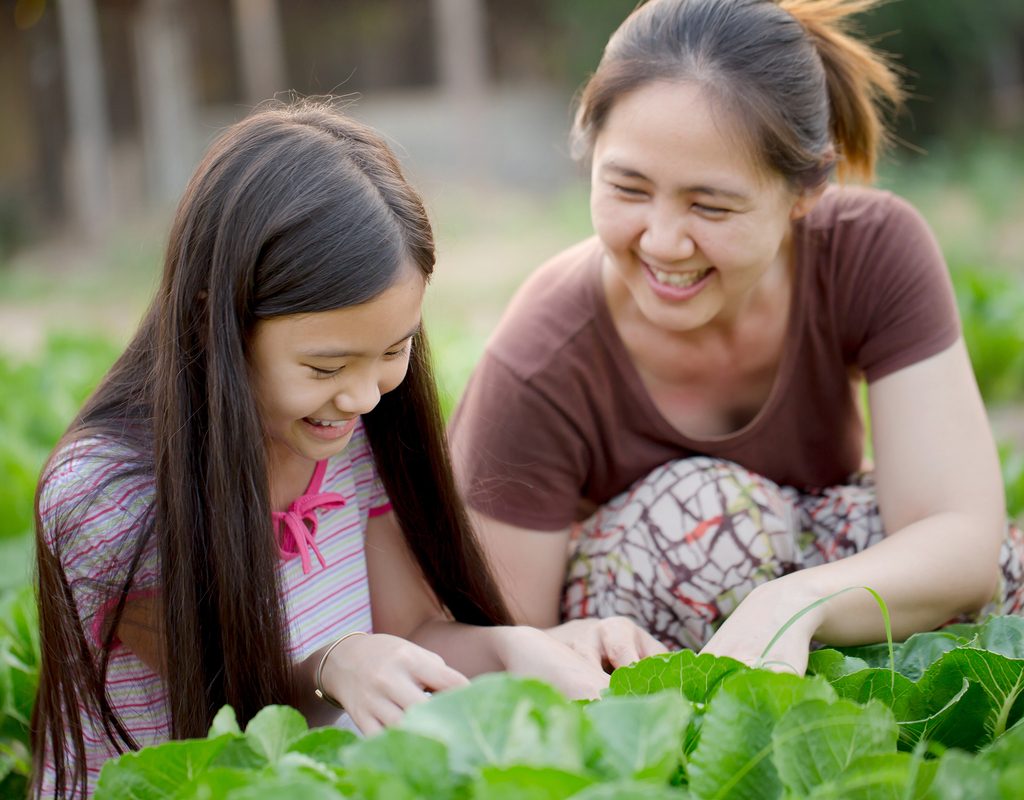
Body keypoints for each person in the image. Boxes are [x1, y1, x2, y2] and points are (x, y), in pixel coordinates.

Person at [31, 102, 608, 799]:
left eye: (395, 351)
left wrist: (513, 651)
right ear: (219, 318)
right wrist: (336, 661)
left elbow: (411, 632)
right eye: (327, 368)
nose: (365, 396)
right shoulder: (108, 496)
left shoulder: (349, 436)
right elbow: (231, 716)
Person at [450, 0, 1024, 680]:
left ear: (808, 189)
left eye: (710, 206)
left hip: (801, 587)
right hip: (637, 656)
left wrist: (791, 603)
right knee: (703, 520)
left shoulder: (870, 249)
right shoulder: (542, 357)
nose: (662, 241)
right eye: (628, 189)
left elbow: (961, 542)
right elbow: (497, 639)